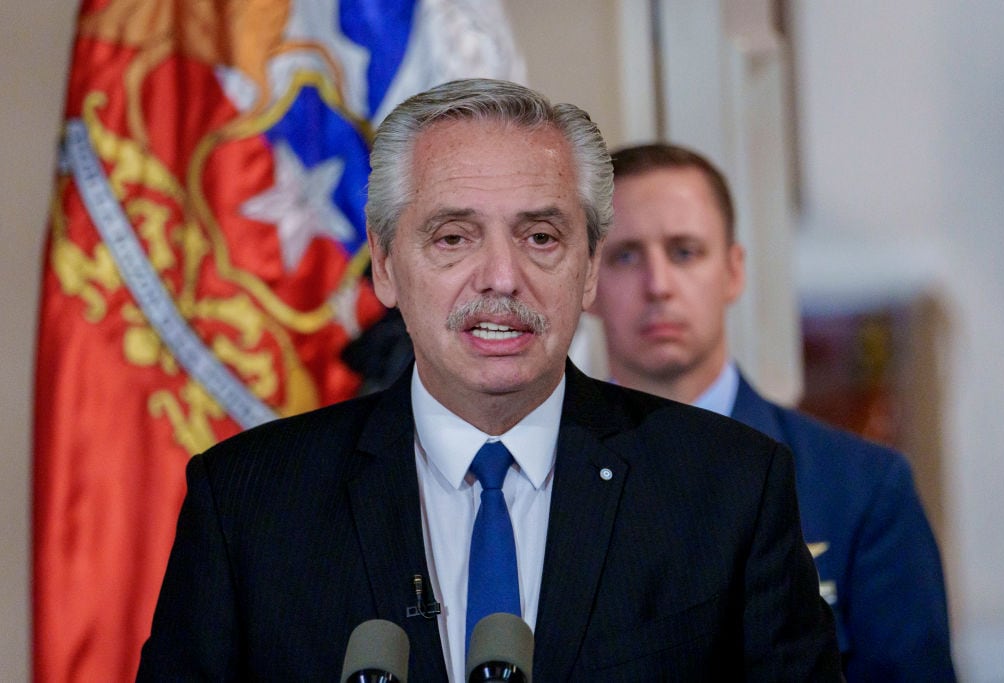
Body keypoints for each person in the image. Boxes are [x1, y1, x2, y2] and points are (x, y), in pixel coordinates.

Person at [137, 81, 840, 681]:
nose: (502, 278)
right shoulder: (248, 506)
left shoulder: (730, 488)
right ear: (384, 266)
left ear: (589, 268)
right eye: (453, 237)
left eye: (540, 236)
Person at [590, 142, 956, 681]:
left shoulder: (861, 490)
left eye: (685, 251)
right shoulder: (545, 480)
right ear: (586, 282)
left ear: (734, 272)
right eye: (626, 255)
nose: (658, 285)